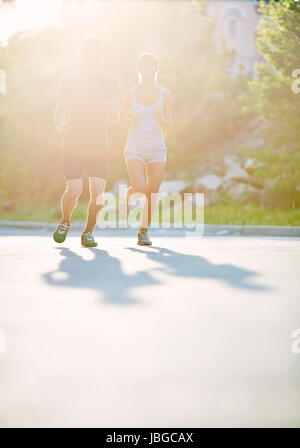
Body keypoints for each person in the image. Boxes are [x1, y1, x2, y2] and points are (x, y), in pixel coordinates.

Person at [53, 34, 120, 247]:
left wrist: (116, 114)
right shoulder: (69, 81)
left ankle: (88, 232)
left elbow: (114, 114)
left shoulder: (110, 82)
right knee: (74, 190)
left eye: (96, 51)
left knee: (98, 191)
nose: (93, 55)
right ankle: (65, 221)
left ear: (101, 54)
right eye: (88, 50)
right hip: (73, 141)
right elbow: (59, 111)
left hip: (99, 143)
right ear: (83, 54)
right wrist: (60, 124)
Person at [119, 52, 173, 245]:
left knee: (153, 191)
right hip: (135, 146)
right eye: (144, 65)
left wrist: (160, 118)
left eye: (151, 65)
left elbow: (168, 125)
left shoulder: (165, 94)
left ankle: (143, 232)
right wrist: (129, 119)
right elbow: (121, 119)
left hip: (157, 147)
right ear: (139, 69)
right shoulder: (129, 94)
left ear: (155, 69)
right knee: (141, 188)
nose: (148, 68)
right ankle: (128, 195)